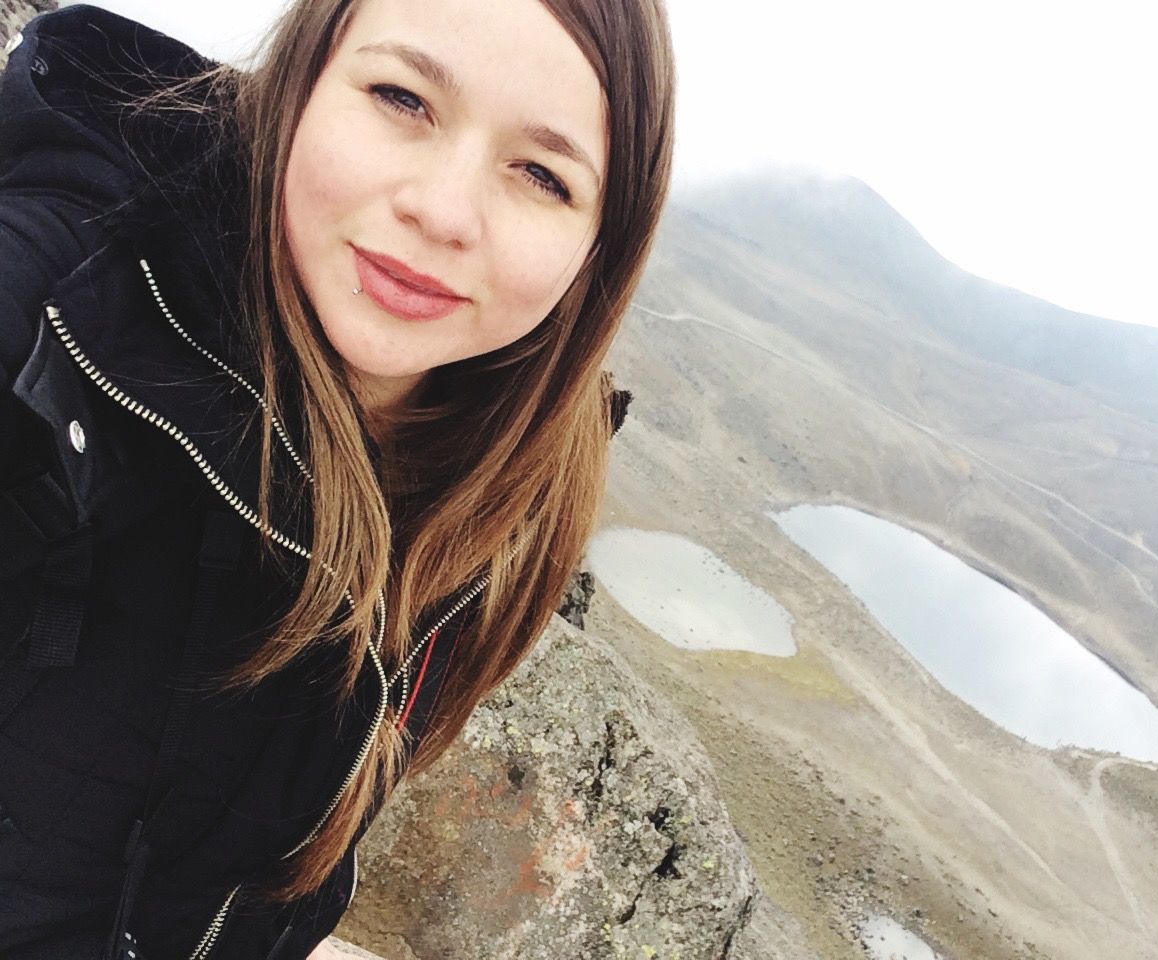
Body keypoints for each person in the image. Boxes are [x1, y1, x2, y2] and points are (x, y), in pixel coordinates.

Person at [0, 0, 674, 956]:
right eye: (402, 97)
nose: (442, 212)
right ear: (303, 78)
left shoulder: (513, 471)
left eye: (540, 173)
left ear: (600, 247)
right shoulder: (59, 310)